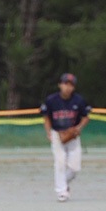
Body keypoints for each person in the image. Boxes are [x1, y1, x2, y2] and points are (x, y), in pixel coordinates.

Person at [41, 73, 91, 202]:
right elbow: (46, 118)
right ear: (60, 85)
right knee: (60, 162)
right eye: (65, 84)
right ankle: (61, 192)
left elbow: (86, 117)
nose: (67, 87)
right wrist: (48, 133)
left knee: (75, 168)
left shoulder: (78, 100)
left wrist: (78, 128)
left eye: (70, 85)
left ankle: (63, 183)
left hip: (73, 136)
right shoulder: (51, 100)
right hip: (57, 134)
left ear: (73, 87)